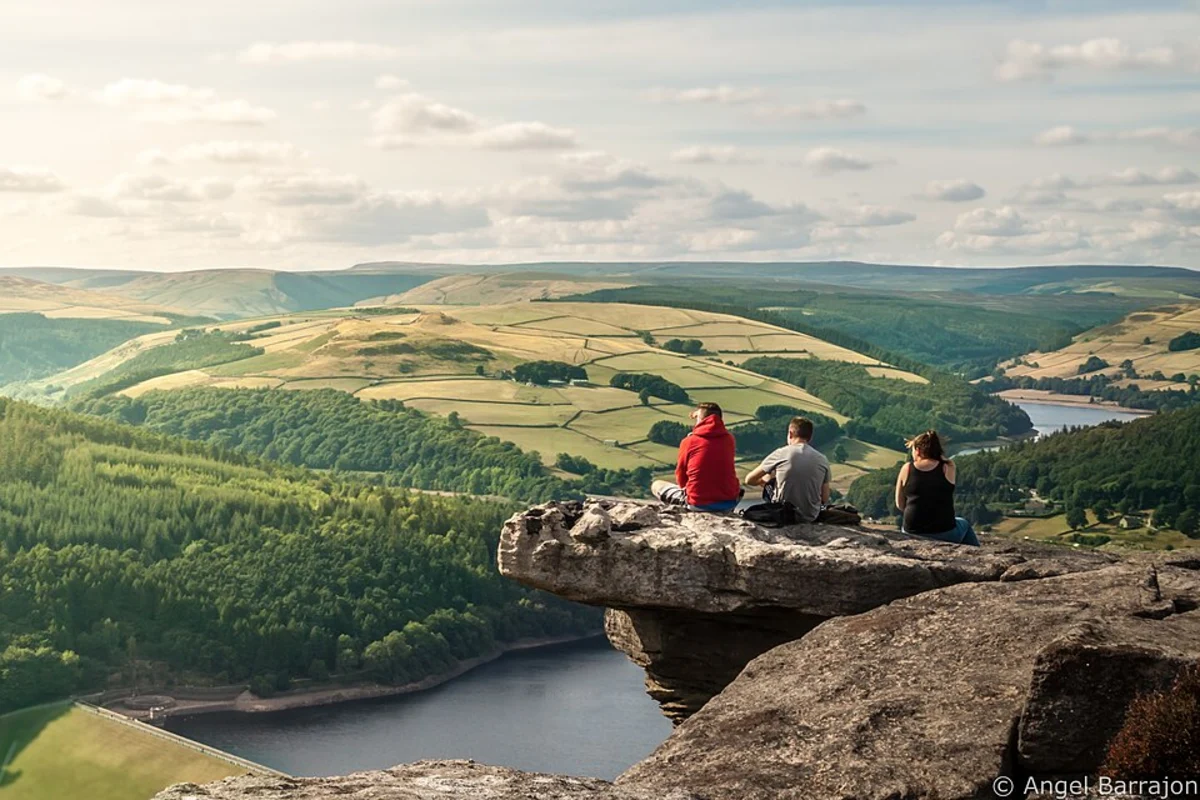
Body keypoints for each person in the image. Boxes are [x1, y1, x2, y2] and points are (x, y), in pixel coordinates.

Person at [743, 416, 837, 524]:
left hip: (782, 513)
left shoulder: (780, 453)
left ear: (790, 433)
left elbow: (749, 479)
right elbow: (824, 497)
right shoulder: (822, 459)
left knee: (769, 476)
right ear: (810, 437)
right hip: (810, 516)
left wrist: (764, 482)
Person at [652, 402, 741, 512]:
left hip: (697, 504)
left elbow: (681, 477)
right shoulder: (729, 439)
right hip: (729, 503)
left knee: (656, 485)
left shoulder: (689, 442)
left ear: (700, 420)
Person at [894, 430, 979, 546]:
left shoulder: (907, 468)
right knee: (963, 523)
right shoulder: (948, 467)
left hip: (912, 532)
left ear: (918, 451)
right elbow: (943, 459)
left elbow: (900, 504)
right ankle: (974, 557)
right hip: (945, 532)